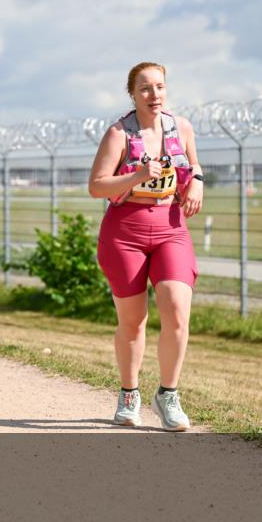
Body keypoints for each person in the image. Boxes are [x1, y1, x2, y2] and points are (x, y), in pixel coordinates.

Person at [88, 62, 205, 432]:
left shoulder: (181, 127)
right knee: (133, 322)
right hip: (125, 233)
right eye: (144, 89)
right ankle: (129, 393)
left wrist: (198, 182)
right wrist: (138, 174)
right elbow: (96, 186)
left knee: (176, 311)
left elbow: (194, 164)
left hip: (171, 228)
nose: (154, 95)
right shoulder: (118, 134)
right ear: (132, 94)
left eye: (159, 87)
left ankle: (168, 395)